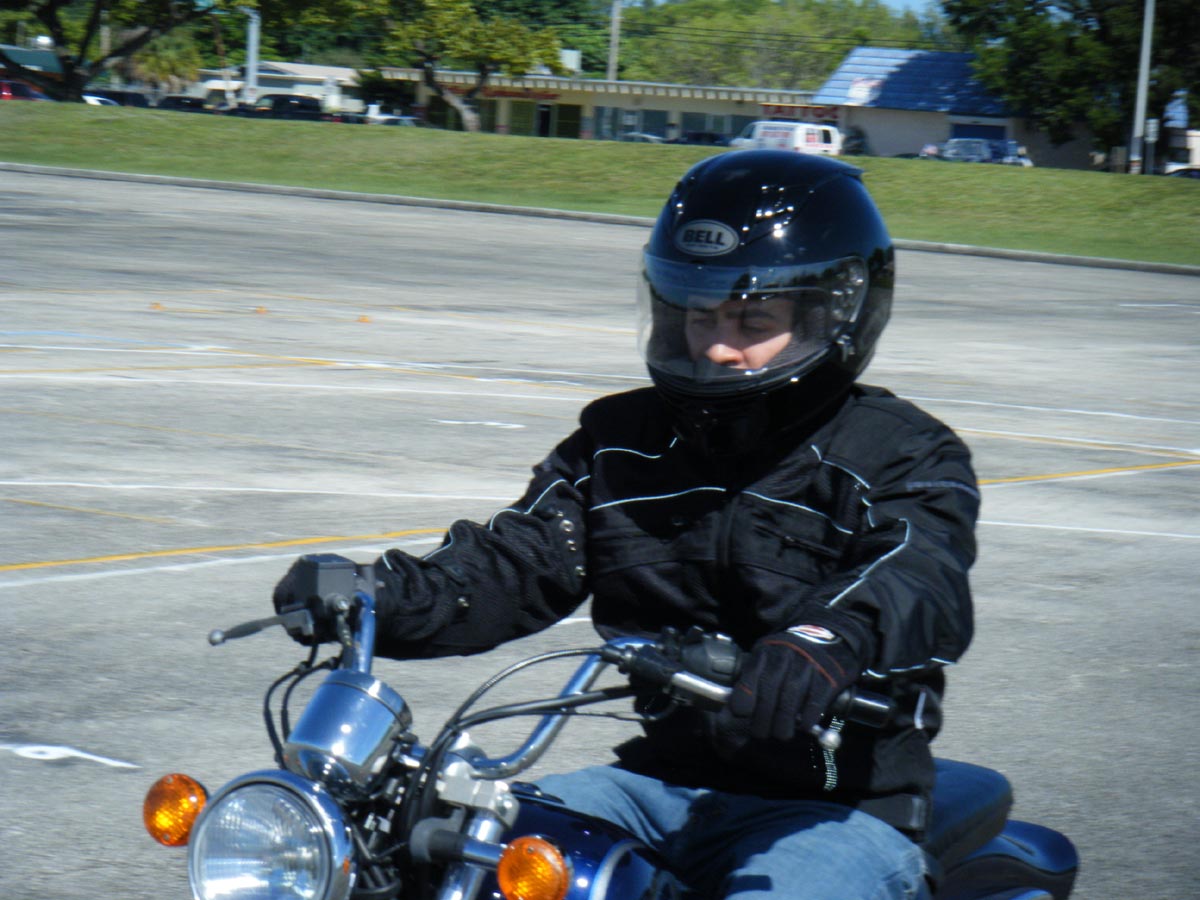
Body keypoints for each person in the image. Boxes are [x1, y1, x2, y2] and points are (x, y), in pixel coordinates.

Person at [274, 150, 979, 899]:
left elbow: (917, 571)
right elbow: (519, 563)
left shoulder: (903, 453)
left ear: (832, 318)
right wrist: (378, 593)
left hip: (835, 808)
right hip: (653, 785)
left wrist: (827, 641)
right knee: (444, 853)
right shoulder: (619, 443)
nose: (716, 345)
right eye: (699, 314)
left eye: (753, 320)